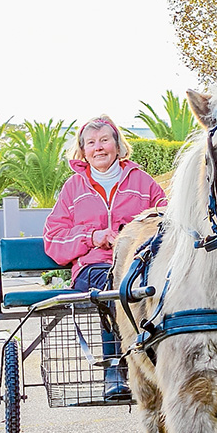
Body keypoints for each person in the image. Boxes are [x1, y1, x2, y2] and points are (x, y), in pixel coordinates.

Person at [44, 115, 167, 400]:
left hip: (139, 265)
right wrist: (92, 237)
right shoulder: (73, 188)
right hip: (92, 269)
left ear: (117, 145)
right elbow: (53, 237)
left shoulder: (142, 182)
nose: (98, 148)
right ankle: (118, 371)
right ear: (83, 150)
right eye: (91, 143)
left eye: (104, 140)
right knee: (113, 286)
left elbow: (166, 219)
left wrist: (131, 234)